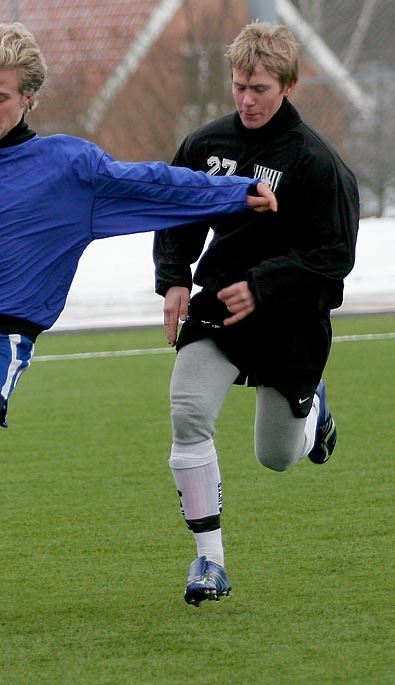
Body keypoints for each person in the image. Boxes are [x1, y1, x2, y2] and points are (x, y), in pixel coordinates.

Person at [0, 22, 276, 628]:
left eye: (1, 97)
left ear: (29, 98)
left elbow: (148, 182)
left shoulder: (69, 168)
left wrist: (229, 193)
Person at [153, 22, 359, 607]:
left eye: (260, 88)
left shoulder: (318, 163)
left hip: (292, 319)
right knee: (188, 413)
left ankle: (312, 404)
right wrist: (173, 280)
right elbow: (177, 215)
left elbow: (335, 257)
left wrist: (265, 286)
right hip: (217, 304)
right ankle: (209, 563)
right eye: (239, 85)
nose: (246, 99)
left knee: (275, 458)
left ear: (288, 85)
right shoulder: (207, 144)